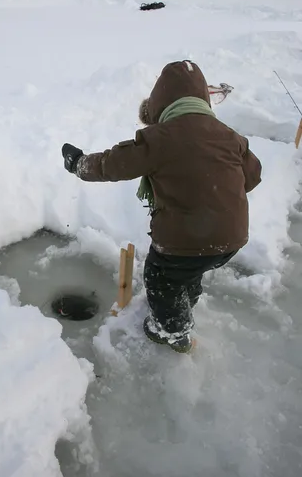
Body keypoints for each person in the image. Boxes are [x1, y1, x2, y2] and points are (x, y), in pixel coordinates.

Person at [61, 60, 262, 353]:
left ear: (161, 101)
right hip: (232, 239)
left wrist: (78, 164)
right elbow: (253, 176)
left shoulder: (160, 138)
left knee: (161, 279)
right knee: (189, 270)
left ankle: (171, 331)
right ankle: (186, 301)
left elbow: (113, 164)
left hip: (185, 239)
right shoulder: (229, 136)